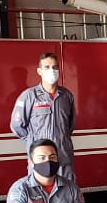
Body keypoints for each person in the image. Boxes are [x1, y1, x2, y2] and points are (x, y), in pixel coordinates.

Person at [10, 51, 77, 179]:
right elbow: (16, 126)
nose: (52, 70)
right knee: (40, 195)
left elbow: (70, 126)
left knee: (67, 196)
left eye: (55, 67)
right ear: (39, 71)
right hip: (40, 161)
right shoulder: (29, 96)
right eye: (47, 67)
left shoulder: (66, 96)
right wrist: (34, 142)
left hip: (63, 159)